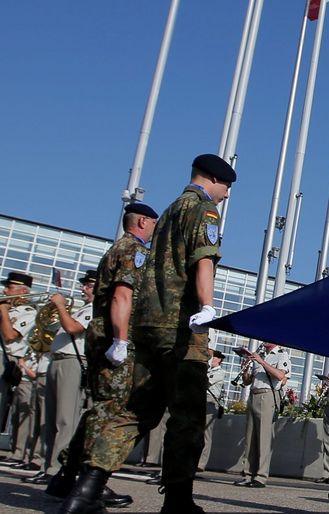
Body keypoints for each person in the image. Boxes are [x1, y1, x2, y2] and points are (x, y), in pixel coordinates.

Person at [60, 153, 235, 514]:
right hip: (181, 328)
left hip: (146, 327)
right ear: (212, 180)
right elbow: (203, 258)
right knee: (187, 416)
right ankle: (178, 501)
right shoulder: (204, 210)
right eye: (226, 186)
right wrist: (207, 306)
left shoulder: (170, 210)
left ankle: (84, 492)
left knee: (134, 410)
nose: (226, 194)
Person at [46, 202, 157, 508]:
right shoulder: (134, 250)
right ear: (143, 222)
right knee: (113, 411)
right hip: (114, 336)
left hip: (99, 335)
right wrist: (121, 339)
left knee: (100, 409)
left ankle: (67, 477)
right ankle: (88, 486)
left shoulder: (114, 249)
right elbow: (123, 295)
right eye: (154, 224)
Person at [24, 270, 97, 485]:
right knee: (51, 419)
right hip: (57, 360)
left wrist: (60, 306)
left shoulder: (94, 308)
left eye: (89, 285)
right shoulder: (82, 308)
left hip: (73, 361)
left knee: (65, 419)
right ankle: (47, 466)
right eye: (84, 285)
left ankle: (58, 469)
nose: (84, 288)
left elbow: (72, 328)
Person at [234, 341, 290, 487]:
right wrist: (245, 369)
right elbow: (247, 382)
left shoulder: (281, 355)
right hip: (254, 394)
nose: (263, 341)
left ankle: (260, 476)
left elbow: (279, 375)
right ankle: (247, 474)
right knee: (250, 437)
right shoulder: (260, 355)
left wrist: (261, 361)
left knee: (264, 437)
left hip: (267, 396)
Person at [0, 271, 41, 470]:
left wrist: (4, 312)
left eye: (10, 287)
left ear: (23, 291)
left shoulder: (28, 311)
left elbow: (9, 335)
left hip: (11, 360)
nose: (5, 290)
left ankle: (19, 453)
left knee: (15, 409)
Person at [196, 349, 227, 472]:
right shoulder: (207, 370)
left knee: (206, 434)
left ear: (219, 359)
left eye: (213, 357)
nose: (211, 359)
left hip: (210, 401)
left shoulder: (220, 372)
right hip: (200, 399)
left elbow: (206, 382)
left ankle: (201, 463)